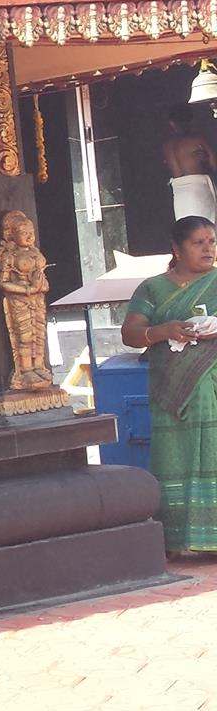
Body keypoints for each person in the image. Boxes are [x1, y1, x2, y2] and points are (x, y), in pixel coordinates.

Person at [123, 215, 217, 556]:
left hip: (213, 382)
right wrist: (164, 331)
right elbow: (130, 334)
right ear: (176, 249)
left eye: (212, 241)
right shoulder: (152, 288)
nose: (208, 248)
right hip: (171, 389)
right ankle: (177, 540)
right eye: (198, 242)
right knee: (175, 456)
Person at [164, 104, 217, 222]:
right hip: (198, 188)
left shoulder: (166, 146)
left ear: (171, 123)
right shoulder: (198, 140)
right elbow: (214, 165)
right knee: (207, 226)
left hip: (179, 193)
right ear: (191, 121)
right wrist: (205, 160)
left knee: (186, 228)